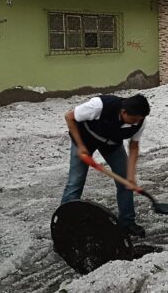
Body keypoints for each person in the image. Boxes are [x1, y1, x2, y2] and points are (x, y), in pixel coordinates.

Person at [61, 93, 150, 237]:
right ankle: (65, 226)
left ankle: (127, 223)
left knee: (125, 182)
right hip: (85, 140)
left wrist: (131, 174)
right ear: (123, 112)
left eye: (138, 120)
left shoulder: (140, 120)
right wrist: (80, 145)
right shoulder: (99, 106)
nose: (135, 123)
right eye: (133, 119)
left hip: (111, 144)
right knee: (75, 182)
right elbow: (69, 116)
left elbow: (134, 146)